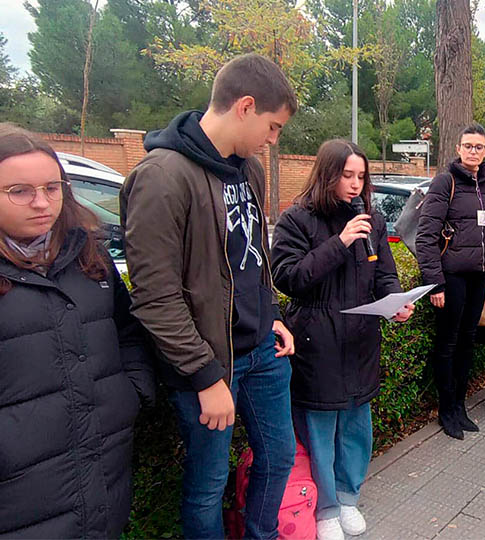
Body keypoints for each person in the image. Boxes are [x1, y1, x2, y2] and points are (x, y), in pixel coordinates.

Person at [120, 54, 298, 539]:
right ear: (244, 106)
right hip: (207, 364)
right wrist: (204, 376)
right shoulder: (162, 177)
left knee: (279, 458)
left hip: (263, 351)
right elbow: (154, 296)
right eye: (273, 126)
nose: (272, 140)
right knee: (208, 484)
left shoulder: (249, 171)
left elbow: (253, 254)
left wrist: (273, 313)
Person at [0, 124, 155, 538]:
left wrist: (131, 393)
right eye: (20, 191)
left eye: (53, 188)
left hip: (100, 473)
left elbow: (128, 331)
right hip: (20, 495)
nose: (42, 203)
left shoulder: (87, 254)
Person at [270, 140, 413, 539]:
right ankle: (326, 508)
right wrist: (340, 242)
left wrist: (396, 302)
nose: (355, 185)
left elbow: (385, 272)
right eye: (347, 176)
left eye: (361, 176)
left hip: (361, 340)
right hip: (317, 340)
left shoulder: (372, 219)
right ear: (328, 175)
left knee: (356, 427)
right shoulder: (297, 220)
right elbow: (289, 278)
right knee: (319, 429)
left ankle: (348, 496)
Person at [416, 124, 485, 439]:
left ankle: (461, 407)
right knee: (448, 344)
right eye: (468, 146)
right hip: (451, 277)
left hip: (479, 276)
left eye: (479, 147)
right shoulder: (445, 182)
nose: (473, 151)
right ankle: (446, 409)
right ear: (458, 148)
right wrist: (435, 283)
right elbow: (426, 236)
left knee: (467, 343)